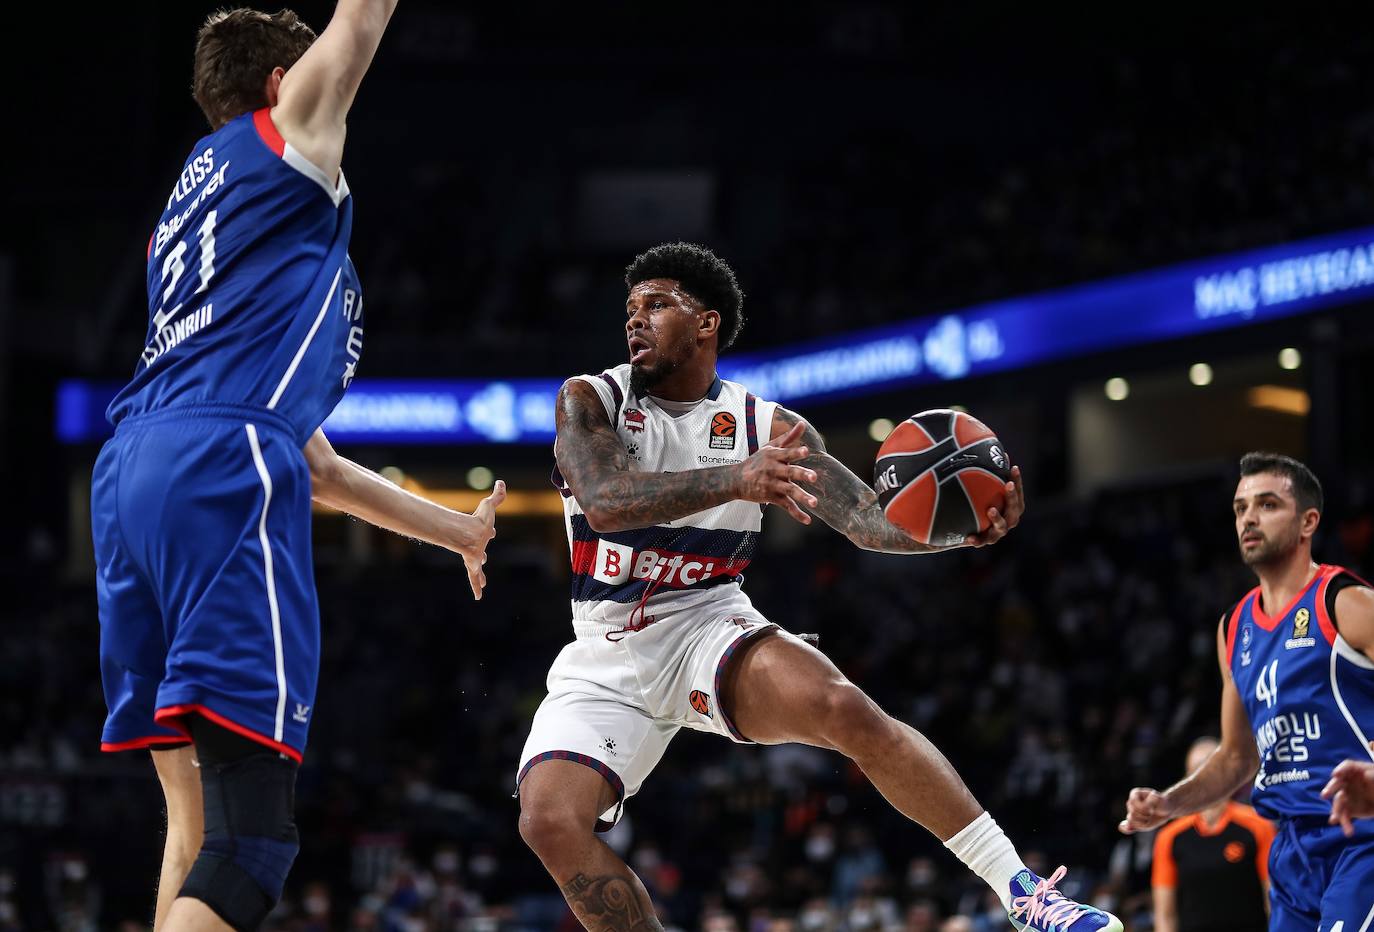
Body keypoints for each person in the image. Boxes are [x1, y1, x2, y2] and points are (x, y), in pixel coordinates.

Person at [515, 242, 1122, 932]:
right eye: (631, 308)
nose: (635, 320)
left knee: (846, 709)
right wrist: (737, 480)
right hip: (605, 652)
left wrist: (958, 532)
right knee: (547, 822)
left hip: (705, 625)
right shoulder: (590, 397)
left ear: (707, 323)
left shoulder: (765, 427)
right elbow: (604, 499)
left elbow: (866, 519)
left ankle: (1026, 894)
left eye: (657, 304)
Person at [91, 6, 506, 930]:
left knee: (194, 830)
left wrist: (455, 531)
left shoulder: (210, 209)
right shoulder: (287, 141)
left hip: (137, 473)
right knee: (252, 847)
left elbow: (317, 467)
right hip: (218, 458)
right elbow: (359, 19)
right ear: (286, 82)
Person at [1119, 453, 1374, 931]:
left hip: (1362, 841)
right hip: (1292, 853)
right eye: (1240, 508)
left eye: (1268, 504)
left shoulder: (1347, 602)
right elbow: (1237, 757)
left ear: (1307, 522)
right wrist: (1169, 804)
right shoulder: (1234, 629)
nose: (1249, 518)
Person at [1151, 737, 1275, 932]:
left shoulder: (1258, 826)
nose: (1200, 780)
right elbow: (1165, 915)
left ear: (1224, 774)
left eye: (1206, 770)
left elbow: (1274, 902)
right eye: (1193, 773)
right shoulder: (1170, 837)